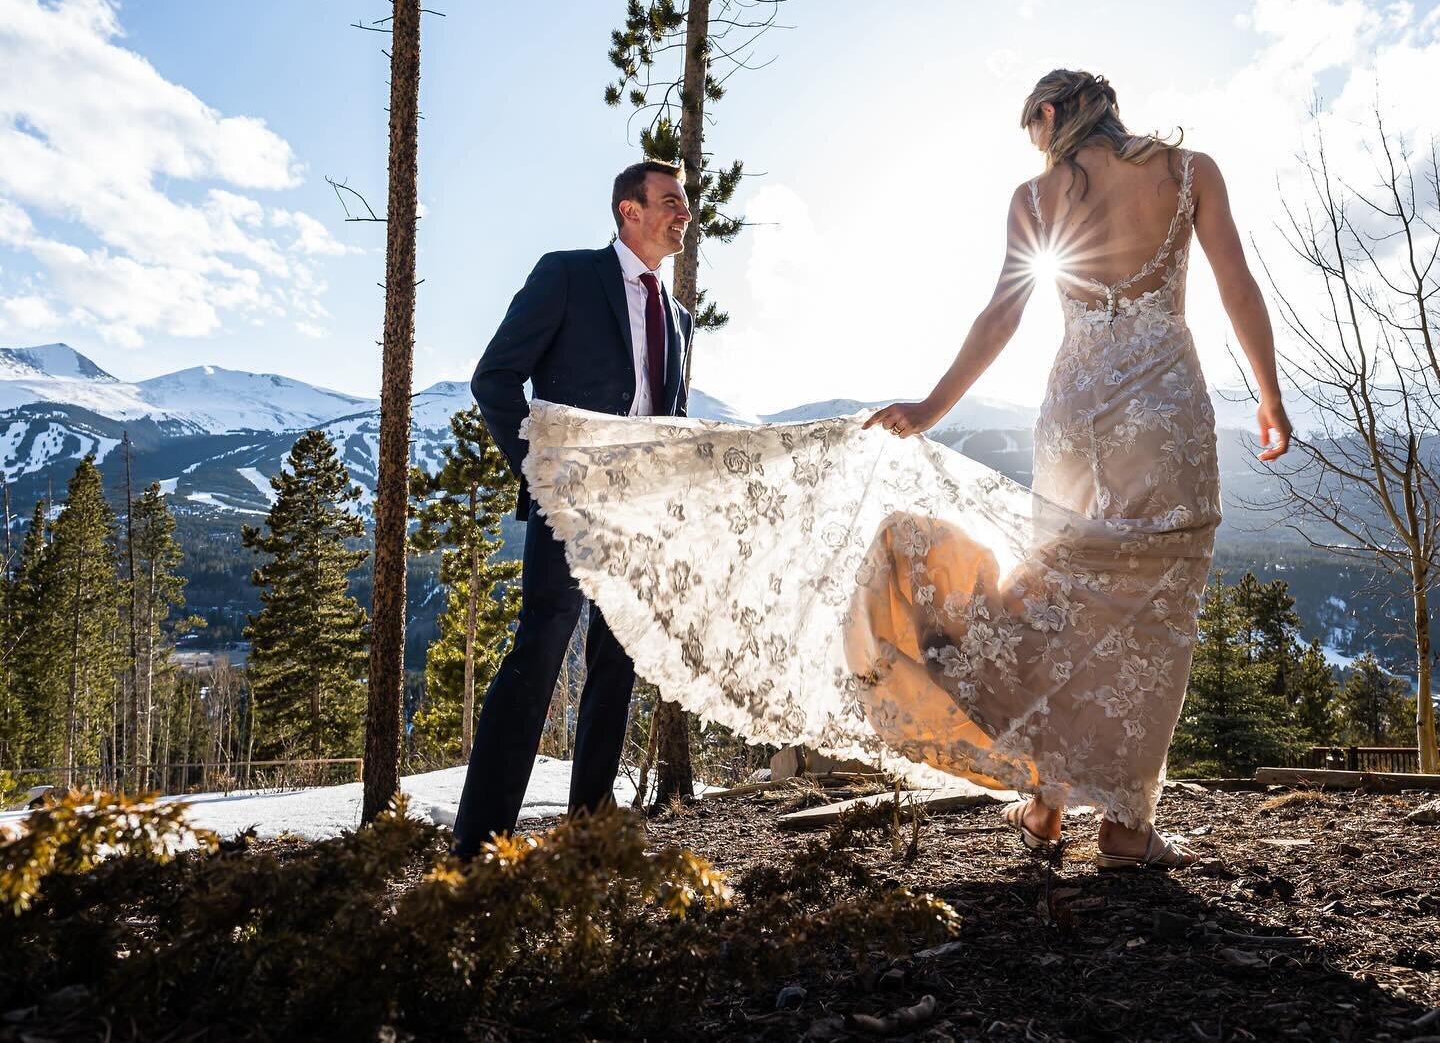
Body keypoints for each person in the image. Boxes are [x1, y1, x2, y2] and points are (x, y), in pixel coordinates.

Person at [518, 69, 1292, 870]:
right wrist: (1267, 395)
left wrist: (931, 407)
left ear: (1051, 115)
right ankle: (1126, 827)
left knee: (1063, 597)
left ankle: (1048, 803)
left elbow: (1003, 313)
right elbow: (1236, 283)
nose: (1034, 147)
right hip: (1162, 411)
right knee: (1154, 609)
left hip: (1073, 419)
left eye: (1032, 130)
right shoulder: (1188, 171)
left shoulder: (1035, 200)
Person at [449, 158, 693, 857]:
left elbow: (667, 420)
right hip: (567, 505)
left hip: (636, 517)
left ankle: (590, 832)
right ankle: (478, 844)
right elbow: (493, 378)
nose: (684, 213)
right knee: (538, 658)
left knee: (615, 670)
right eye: (670, 201)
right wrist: (541, 471)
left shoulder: (677, 316)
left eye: (685, 202)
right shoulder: (566, 276)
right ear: (630, 212)